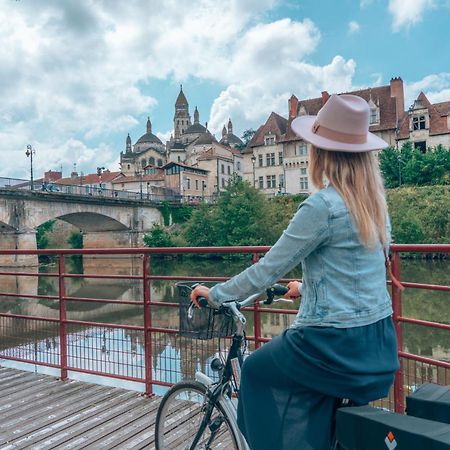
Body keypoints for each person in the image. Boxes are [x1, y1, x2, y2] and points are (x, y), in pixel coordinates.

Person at [191, 94, 400, 450]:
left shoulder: (322, 206)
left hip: (333, 346)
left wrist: (216, 294)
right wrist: (307, 288)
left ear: (322, 153)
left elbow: (267, 269)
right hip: (378, 346)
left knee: (255, 370)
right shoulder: (375, 207)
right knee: (317, 400)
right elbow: (360, 274)